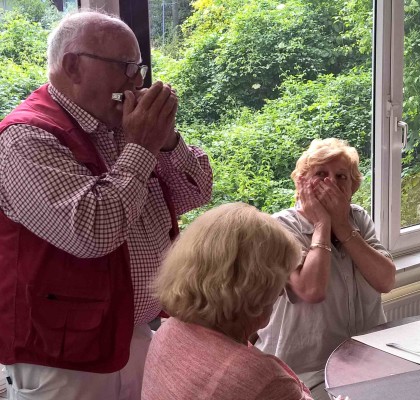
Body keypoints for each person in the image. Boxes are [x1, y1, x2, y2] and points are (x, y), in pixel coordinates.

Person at [0, 9, 212, 400]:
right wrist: (143, 145)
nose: (137, 81)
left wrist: (165, 141)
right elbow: (93, 233)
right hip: (62, 358)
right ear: (72, 66)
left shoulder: (121, 127)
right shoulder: (25, 138)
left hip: (130, 332)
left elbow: (194, 193)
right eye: (126, 67)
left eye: (140, 68)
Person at [255, 138, 396, 400]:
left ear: (352, 187)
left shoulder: (358, 219)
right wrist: (322, 224)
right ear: (301, 183)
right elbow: (311, 290)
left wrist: (342, 227)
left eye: (341, 176)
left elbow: (386, 280)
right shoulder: (282, 227)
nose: (331, 183)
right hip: (304, 373)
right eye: (321, 174)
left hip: (367, 359)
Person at [141, 202, 314, 400]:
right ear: (256, 288)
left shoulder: (169, 331)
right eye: (280, 281)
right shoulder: (263, 379)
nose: (282, 293)